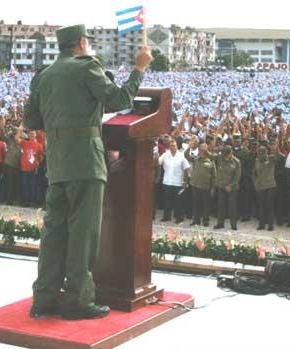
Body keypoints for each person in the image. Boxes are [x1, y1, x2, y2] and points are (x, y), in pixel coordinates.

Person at [24, 24, 152, 320]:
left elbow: (31, 119)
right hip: (86, 161)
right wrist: (139, 69)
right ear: (81, 43)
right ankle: (78, 301)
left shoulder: (43, 76)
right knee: (83, 233)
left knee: (54, 232)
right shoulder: (86, 68)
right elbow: (120, 100)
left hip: (57, 161)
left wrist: (63, 126)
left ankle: (43, 298)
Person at [159, 141, 191, 223]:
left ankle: (179, 218)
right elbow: (158, 162)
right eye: (171, 146)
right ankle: (167, 217)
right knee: (166, 201)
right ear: (169, 147)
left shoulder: (181, 156)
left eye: (174, 146)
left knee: (178, 202)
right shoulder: (165, 155)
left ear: (177, 146)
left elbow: (187, 169)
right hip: (167, 182)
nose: (172, 147)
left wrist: (185, 181)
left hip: (178, 183)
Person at [214, 145, 241, 230]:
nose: (225, 156)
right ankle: (220, 223)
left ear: (231, 153)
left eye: (226, 154)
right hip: (221, 186)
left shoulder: (236, 162)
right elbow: (210, 155)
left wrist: (231, 186)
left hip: (232, 188)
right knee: (220, 206)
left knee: (232, 207)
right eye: (224, 154)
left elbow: (237, 176)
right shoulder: (220, 158)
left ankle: (233, 224)